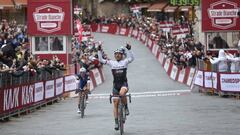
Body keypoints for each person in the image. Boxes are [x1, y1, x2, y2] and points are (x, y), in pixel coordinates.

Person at [97, 43, 134, 130]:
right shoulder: (111, 63)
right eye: (116, 54)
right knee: (115, 103)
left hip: (124, 84)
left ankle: (126, 107)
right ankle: (116, 122)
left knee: (122, 93)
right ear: (114, 56)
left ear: (121, 55)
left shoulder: (124, 62)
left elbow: (132, 58)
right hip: (115, 86)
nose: (117, 55)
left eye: (119, 54)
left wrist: (129, 49)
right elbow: (101, 60)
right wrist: (99, 50)